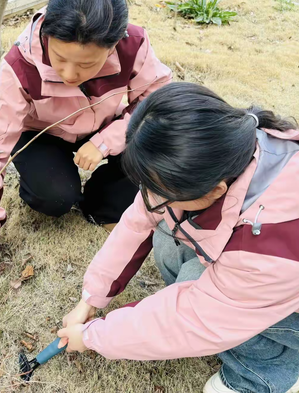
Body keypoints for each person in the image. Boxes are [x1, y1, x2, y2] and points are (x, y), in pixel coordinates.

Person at [58, 82, 299, 393]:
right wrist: (90, 298)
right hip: (265, 281)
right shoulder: (226, 147)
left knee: (197, 285)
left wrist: (93, 336)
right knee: (167, 241)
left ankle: (268, 374)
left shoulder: (270, 243)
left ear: (214, 191)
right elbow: (137, 221)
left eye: (160, 191)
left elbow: (193, 320)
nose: (148, 198)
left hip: (280, 287)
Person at [0, 0, 171, 270]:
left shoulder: (134, 45)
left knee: (150, 156)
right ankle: (62, 186)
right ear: (46, 33)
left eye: (87, 65)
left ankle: (101, 202)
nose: (68, 73)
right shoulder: (18, 66)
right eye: (59, 58)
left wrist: (106, 141)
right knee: (55, 198)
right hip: (43, 133)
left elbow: (158, 103)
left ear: (114, 44)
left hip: (107, 124)